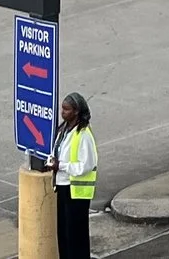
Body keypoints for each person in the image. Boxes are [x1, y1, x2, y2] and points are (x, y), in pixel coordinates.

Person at [53, 92, 97, 258]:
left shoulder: (83, 134)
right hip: (63, 186)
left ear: (76, 111)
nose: (62, 113)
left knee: (76, 236)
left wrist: (61, 166)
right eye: (62, 109)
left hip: (76, 192)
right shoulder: (63, 129)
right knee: (64, 233)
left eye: (67, 110)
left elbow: (86, 166)